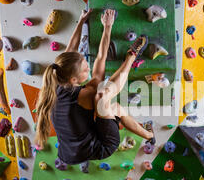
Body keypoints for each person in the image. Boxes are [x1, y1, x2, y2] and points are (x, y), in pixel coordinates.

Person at [34, 9, 155, 169]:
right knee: (103, 96)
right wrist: (107, 28)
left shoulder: (58, 75)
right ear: (74, 80)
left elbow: (71, 50)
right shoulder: (84, 94)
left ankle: (148, 135)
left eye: (85, 64)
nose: (88, 69)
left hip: (69, 153)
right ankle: (131, 57)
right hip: (101, 146)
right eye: (85, 70)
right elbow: (100, 64)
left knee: (114, 108)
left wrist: (82, 20)